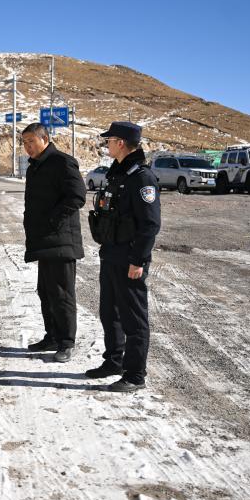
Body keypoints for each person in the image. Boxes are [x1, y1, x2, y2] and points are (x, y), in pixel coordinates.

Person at [85, 121, 161, 392]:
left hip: (130, 257)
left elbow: (150, 224)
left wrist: (138, 260)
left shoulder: (141, 178)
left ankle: (135, 374)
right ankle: (114, 361)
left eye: (109, 140)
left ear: (120, 143)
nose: (106, 144)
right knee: (110, 312)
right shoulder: (118, 174)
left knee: (133, 318)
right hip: (111, 253)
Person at [21, 122, 86, 362]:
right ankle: (52, 336)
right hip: (44, 240)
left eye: (31, 141)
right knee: (46, 292)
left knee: (62, 294)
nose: (27, 146)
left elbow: (77, 196)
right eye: (24, 142)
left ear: (45, 139)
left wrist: (53, 220)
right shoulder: (35, 167)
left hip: (61, 239)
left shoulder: (62, 162)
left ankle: (66, 342)